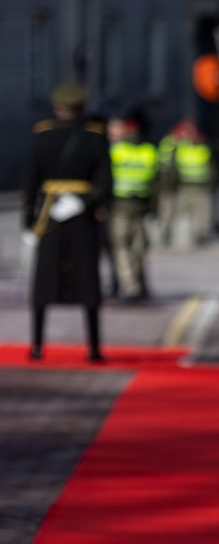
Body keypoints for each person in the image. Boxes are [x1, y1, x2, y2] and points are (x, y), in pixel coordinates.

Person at [22, 83, 112, 362]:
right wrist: (84, 203)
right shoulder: (95, 137)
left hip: (50, 215)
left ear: (57, 107)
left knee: (44, 281)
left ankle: (37, 345)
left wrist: (29, 221)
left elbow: (31, 182)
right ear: (81, 107)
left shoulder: (42, 136)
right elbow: (106, 183)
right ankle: (94, 348)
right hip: (82, 218)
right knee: (87, 279)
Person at [109, 113, 158, 302]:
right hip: (135, 207)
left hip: (122, 206)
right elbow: (157, 183)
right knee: (134, 248)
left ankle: (131, 286)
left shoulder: (116, 150)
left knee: (126, 248)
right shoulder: (148, 150)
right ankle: (132, 286)